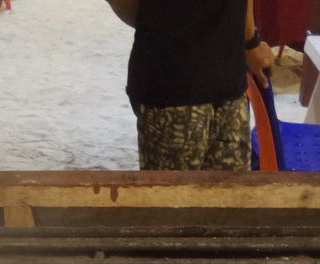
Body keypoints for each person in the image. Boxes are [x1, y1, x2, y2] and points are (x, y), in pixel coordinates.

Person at [106, 0, 275, 171]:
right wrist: (162, 21)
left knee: (231, 193)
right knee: (174, 194)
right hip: (173, 90)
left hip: (230, 84)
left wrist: (250, 41)